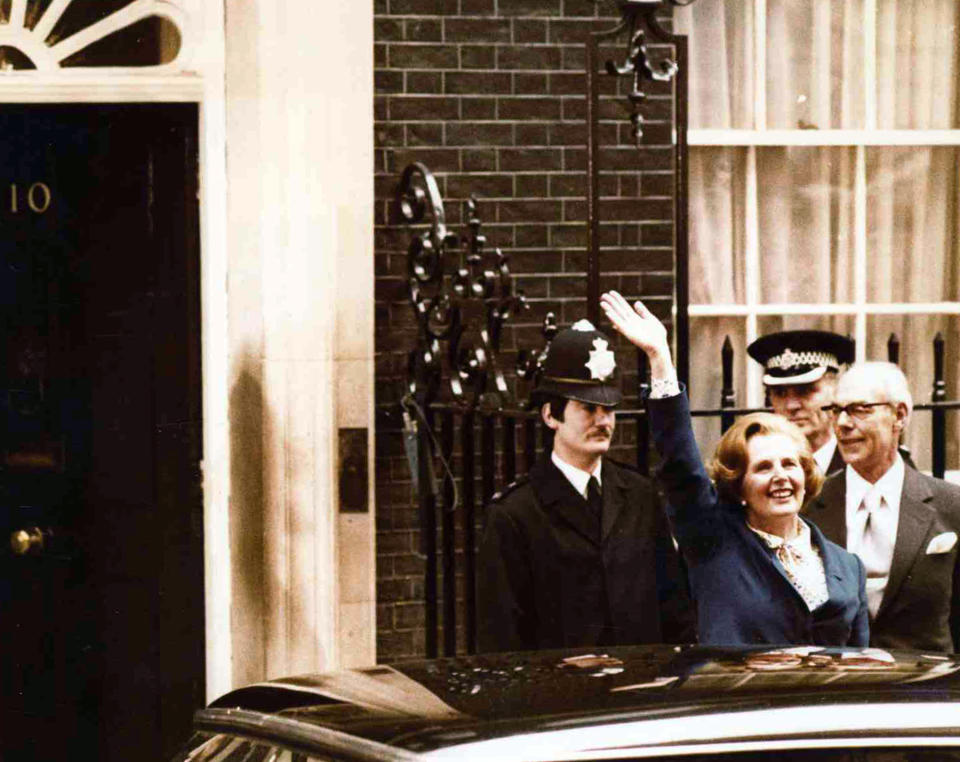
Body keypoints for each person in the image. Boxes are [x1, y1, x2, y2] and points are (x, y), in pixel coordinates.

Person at [601, 291, 868, 647]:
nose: (780, 476)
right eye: (762, 467)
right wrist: (660, 359)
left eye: (790, 464)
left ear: (807, 474)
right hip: (742, 701)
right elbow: (682, 470)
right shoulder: (715, 542)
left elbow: (861, 665)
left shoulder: (847, 566)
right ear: (739, 485)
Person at [477, 318, 694, 653]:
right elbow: (501, 637)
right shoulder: (514, 514)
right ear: (551, 415)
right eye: (587, 408)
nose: (602, 421)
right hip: (562, 699)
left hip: (641, 693)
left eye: (608, 409)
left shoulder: (640, 495)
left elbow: (674, 610)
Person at [808, 361, 960, 652]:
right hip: (833, 684)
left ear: (899, 415)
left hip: (922, 686)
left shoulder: (951, 507)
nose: (842, 423)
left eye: (860, 409)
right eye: (837, 410)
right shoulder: (808, 504)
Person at [747, 330, 855, 476]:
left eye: (804, 391)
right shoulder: (755, 469)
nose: (791, 406)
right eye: (780, 393)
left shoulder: (859, 465)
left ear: (835, 392)